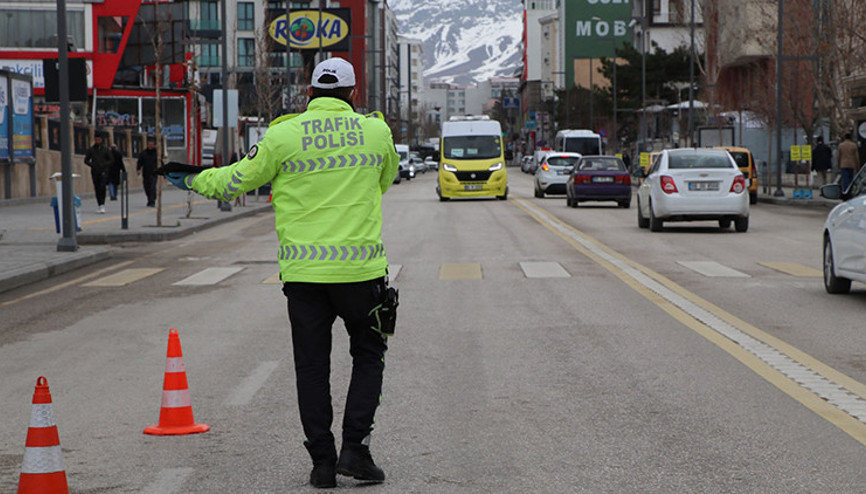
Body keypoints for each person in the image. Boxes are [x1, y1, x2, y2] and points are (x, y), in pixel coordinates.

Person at [162, 57, 399, 489]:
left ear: (308, 94)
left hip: (305, 276)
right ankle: (356, 451)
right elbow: (384, 182)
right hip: (361, 274)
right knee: (368, 357)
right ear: (354, 94)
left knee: (311, 367)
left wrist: (193, 179)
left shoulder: (283, 135)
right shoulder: (376, 132)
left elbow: (237, 180)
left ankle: (323, 464)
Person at [83, 131, 113, 213]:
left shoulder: (106, 149)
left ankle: (102, 204)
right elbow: (86, 160)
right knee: (97, 188)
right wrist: (93, 165)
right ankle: (99, 204)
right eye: (96, 139)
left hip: (103, 171)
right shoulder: (91, 149)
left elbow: (111, 160)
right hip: (95, 171)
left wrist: (104, 165)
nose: (97, 141)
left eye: (99, 139)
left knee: (102, 187)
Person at [137, 138, 159, 207]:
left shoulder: (157, 154)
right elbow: (139, 162)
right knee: (147, 187)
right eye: (149, 144)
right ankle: (149, 199)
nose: (150, 146)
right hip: (146, 173)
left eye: (152, 144)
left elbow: (161, 162)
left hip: (154, 173)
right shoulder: (144, 153)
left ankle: (152, 201)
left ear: (154, 145)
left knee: (152, 187)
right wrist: (138, 169)